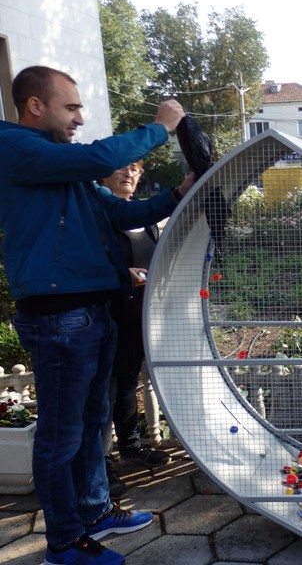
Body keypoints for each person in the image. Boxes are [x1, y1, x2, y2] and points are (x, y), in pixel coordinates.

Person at [0, 65, 195, 565]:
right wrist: (162, 127)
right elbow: (103, 156)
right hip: (59, 317)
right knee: (61, 436)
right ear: (35, 106)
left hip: (93, 311)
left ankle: (94, 512)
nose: (80, 117)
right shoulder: (15, 148)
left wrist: (176, 194)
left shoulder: (64, 168)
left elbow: (123, 213)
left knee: (91, 426)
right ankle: (63, 543)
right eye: (72, 107)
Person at [98, 161, 169, 502]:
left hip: (141, 318)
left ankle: (130, 447)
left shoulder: (147, 220)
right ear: (103, 175)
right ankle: (103, 464)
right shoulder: (101, 217)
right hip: (109, 317)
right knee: (106, 391)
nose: (129, 174)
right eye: (122, 168)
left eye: (136, 170)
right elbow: (95, 262)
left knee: (127, 382)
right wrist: (121, 273)